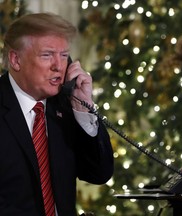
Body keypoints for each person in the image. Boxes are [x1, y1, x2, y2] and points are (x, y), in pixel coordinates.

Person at [0, 13, 114, 216]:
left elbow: (99, 174)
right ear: (16, 59)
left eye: (63, 55)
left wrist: (83, 109)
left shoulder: (66, 105)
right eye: (47, 55)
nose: (59, 66)